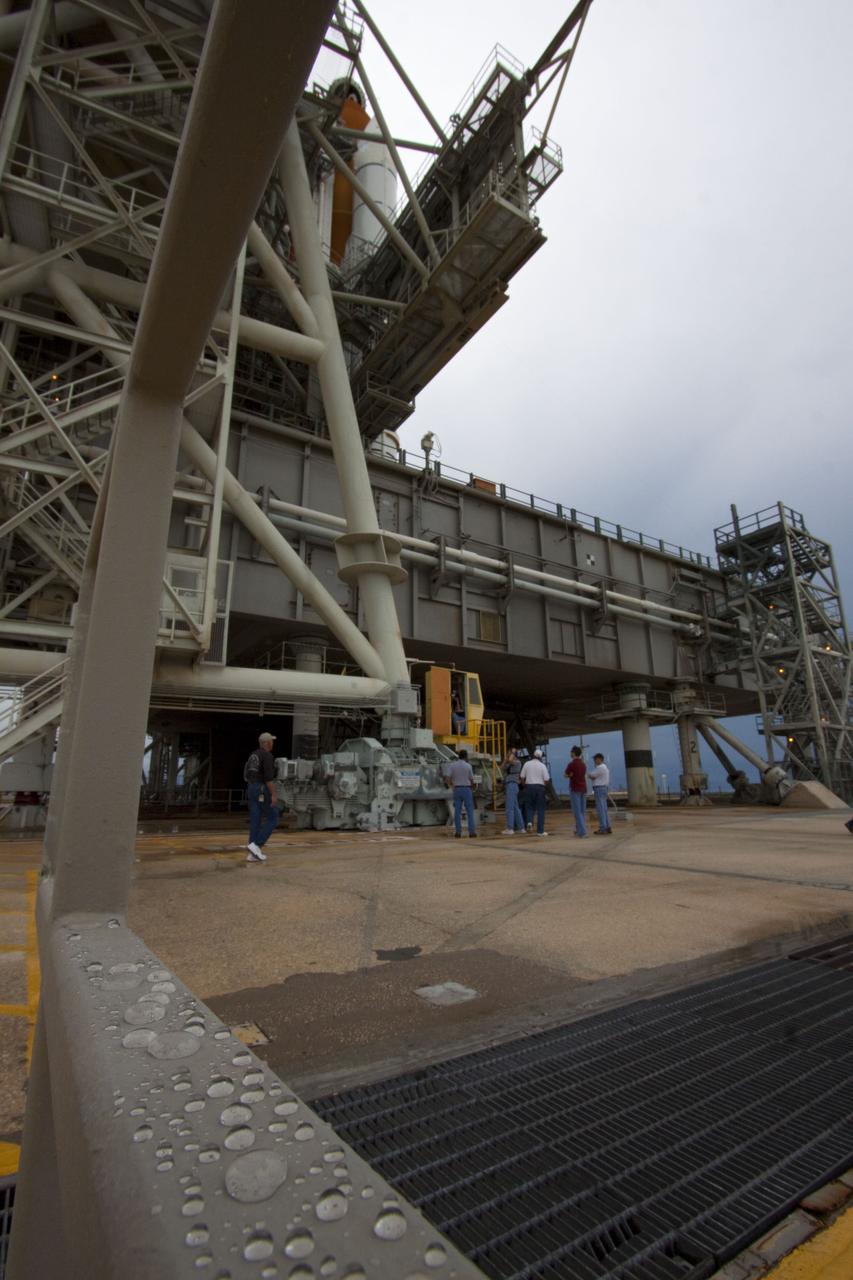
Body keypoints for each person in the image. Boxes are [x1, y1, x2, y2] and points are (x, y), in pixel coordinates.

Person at [244, 731, 279, 862]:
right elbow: (269, 779)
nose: (272, 744)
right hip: (262, 789)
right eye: (271, 741)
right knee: (273, 817)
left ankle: (253, 854)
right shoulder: (268, 756)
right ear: (267, 743)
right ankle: (257, 845)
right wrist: (274, 795)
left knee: (255, 819)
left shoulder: (253, 755)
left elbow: (246, 773)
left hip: (251, 787)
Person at [445, 748, 477, 837]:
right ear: (466, 757)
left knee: (457, 812)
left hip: (457, 789)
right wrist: (473, 787)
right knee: (470, 812)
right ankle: (472, 832)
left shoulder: (452, 765)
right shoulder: (468, 766)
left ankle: (458, 832)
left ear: (459, 756)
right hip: (467, 789)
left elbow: (447, 778)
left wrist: (451, 786)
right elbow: (471, 779)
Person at [520, 749, 550, 836]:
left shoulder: (527, 764)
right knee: (541, 809)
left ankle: (529, 822)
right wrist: (543, 785)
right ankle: (540, 831)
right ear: (540, 757)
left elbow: (522, 777)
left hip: (529, 787)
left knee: (529, 807)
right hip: (539, 788)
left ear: (533, 755)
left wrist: (524, 786)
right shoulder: (542, 766)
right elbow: (547, 779)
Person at [564, 745, 588, 837]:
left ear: (573, 753)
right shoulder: (583, 764)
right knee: (582, 811)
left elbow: (566, 775)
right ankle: (579, 830)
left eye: (571, 752)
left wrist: (570, 775)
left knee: (577, 812)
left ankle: (582, 832)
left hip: (575, 788)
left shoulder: (571, 764)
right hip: (583, 788)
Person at [501, 748, 525, 834]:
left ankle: (510, 828)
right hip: (510, 785)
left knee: (509, 807)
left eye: (509, 753)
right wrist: (506, 758)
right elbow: (502, 767)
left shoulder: (517, 762)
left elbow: (511, 760)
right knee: (515, 807)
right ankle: (521, 827)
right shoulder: (510, 764)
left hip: (512, 784)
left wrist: (513, 752)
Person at [587, 752, 612, 835]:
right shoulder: (605, 768)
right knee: (604, 809)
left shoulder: (600, 768)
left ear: (600, 759)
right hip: (603, 788)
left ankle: (603, 828)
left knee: (600, 809)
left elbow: (592, 775)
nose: (594, 760)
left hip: (599, 788)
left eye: (595, 759)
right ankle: (608, 826)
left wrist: (589, 774)